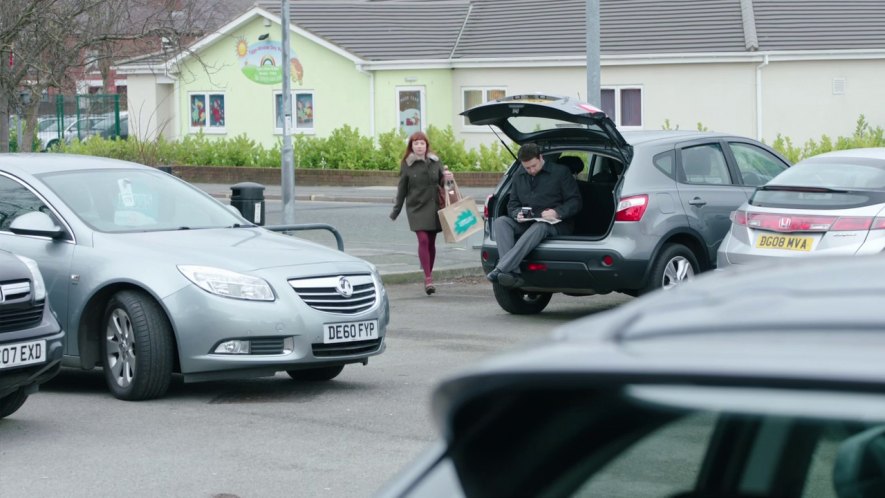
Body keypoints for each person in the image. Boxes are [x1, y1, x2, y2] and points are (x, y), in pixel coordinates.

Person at [486, 143, 582, 287]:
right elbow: (512, 204)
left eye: (534, 166)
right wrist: (516, 213)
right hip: (527, 223)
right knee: (501, 222)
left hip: (558, 224)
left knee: (540, 226)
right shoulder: (519, 174)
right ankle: (513, 273)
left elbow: (576, 202)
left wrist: (557, 212)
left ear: (541, 157)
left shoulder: (561, 172)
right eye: (527, 168)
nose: (531, 170)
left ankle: (501, 268)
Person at [390, 131, 452, 295]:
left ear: (426, 146)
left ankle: (428, 276)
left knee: (431, 243)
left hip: (433, 207)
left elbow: (445, 184)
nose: (419, 146)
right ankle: (428, 278)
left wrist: (448, 178)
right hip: (416, 208)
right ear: (411, 146)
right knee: (423, 240)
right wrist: (396, 210)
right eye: (416, 143)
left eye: (422, 143)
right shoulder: (407, 164)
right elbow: (402, 188)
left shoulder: (435, 161)